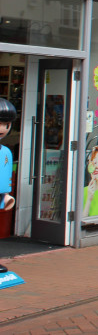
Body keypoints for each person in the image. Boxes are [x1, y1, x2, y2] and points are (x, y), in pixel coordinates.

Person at [0, 97, 17, 274]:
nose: (2, 129)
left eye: (6, 124)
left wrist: (6, 195)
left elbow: (6, 175)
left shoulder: (6, 152)